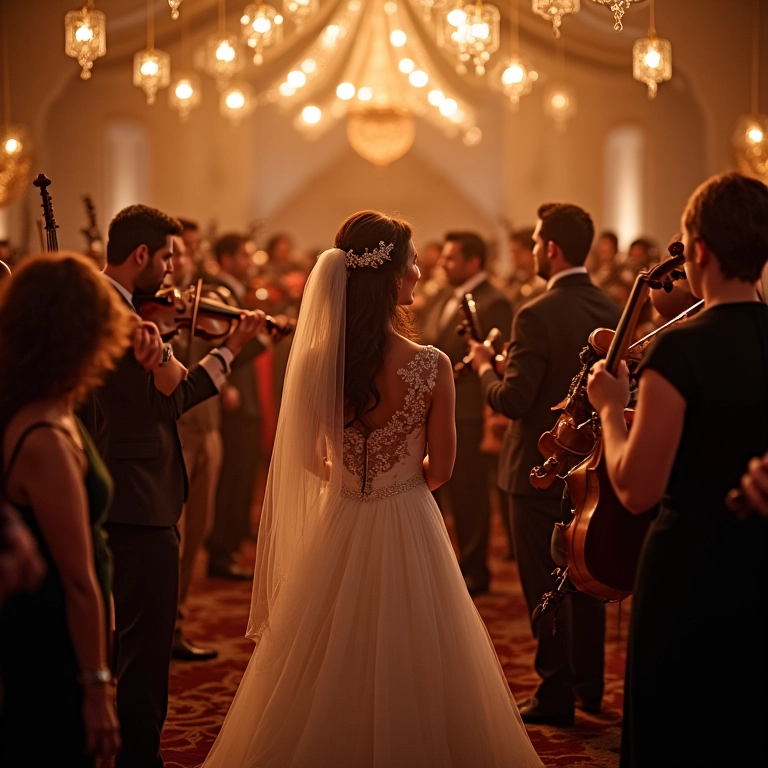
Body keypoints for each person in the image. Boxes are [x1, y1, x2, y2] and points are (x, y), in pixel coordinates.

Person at [202, 211, 544, 767]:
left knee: (325, 651)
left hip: (340, 515)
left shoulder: (316, 362)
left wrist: (350, 482)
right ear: (389, 274)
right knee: (420, 650)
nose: (417, 271)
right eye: (410, 261)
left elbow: (304, 457)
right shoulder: (430, 366)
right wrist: (402, 485)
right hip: (409, 514)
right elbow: (445, 469)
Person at [586, 172, 768, 768]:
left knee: (680, 727)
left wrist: (612, 409)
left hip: (692, 565)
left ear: (699, 251)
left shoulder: (682, 348)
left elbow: (637, 488)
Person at [80, 206, 266, 768]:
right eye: (164, 258)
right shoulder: (121, 316)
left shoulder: (111, 306)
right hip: (139, 494)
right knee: (145, 643)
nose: (170, 273)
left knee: (130, 634)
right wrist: (230, 348)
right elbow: (174, 397)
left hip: (122, 484)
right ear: (140, 256)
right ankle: (141, 758)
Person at [469, 203, 621, 726]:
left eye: (535, 241)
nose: (533, 250)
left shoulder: (534, 312)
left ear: (550, 249)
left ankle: (554, 693)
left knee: (547, 583)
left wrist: (487, 370)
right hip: (592, 469)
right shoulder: (612, 307)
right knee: (586, 572)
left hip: (538, 470)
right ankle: (589, 687)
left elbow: (514, 401)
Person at [0, 252, 132, 766]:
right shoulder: (44, 438)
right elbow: (78, 580)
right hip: (53, 644)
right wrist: (97, 687)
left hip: (69, 636)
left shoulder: (54, 407)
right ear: (79, 336)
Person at [421, 231, 512, 596]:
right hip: (440, 408)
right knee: (441, 494)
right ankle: (447, 564)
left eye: (451, 258)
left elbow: (495, 361)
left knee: (470, 495)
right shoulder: (445, 296)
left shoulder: (495, 302)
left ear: (474, 262)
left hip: (471, 411)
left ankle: (475, 569)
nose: (443, 264)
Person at [166, 232, 221, 661]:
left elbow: (225, 352)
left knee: (198, 529)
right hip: (177, 431)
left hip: (209, 428)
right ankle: (162, 627)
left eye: (185, 254)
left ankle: (178, 623)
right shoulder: (150, 310)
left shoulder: (203, 301)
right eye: (178, 252)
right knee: (176, 536)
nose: (183, 260)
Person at [206, 233, 268, 580]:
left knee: (242, 477)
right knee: (231, 480)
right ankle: (222, 549)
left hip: (245, 398)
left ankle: (231, 541)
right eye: (244, 256)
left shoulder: (231, 290)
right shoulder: (218, 291)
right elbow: (217, 346)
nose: (250, 262)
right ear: (226, 259)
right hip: (233, 400)